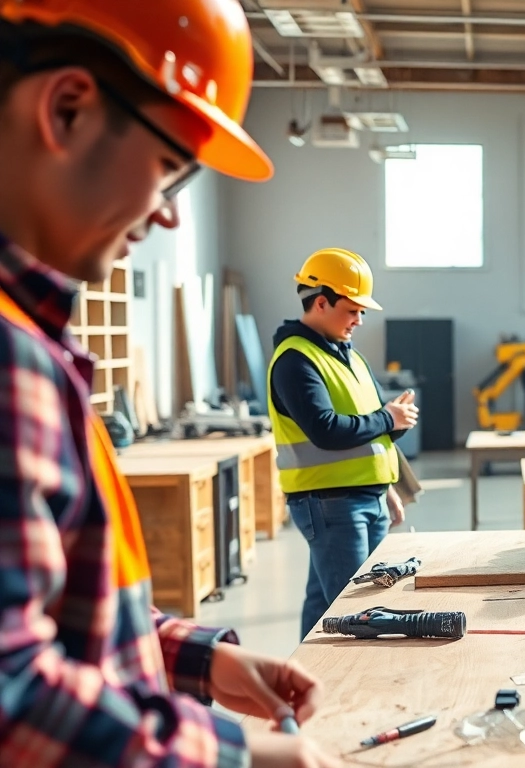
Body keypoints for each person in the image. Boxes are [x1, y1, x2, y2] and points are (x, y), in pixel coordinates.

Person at [0, 1, 336, 766]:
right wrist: (240, 757)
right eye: (169, 169)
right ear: (69, 108)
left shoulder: (33, 337)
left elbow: (52, 613)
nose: (169, 219)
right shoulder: (9, 357)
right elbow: (12, 692)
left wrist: (194, 658)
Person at [268, 247, 418, 639]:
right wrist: (388, 417)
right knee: (357, 613)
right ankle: (351, 694)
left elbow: (365, 431)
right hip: (330, 504)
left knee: (325, 604)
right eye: (352, 310)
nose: (359, 320)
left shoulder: (347, 357)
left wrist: (385, 483)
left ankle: (304, 687)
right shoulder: (295, 361)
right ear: (321, 302)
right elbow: (326, 430)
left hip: (360, 499)